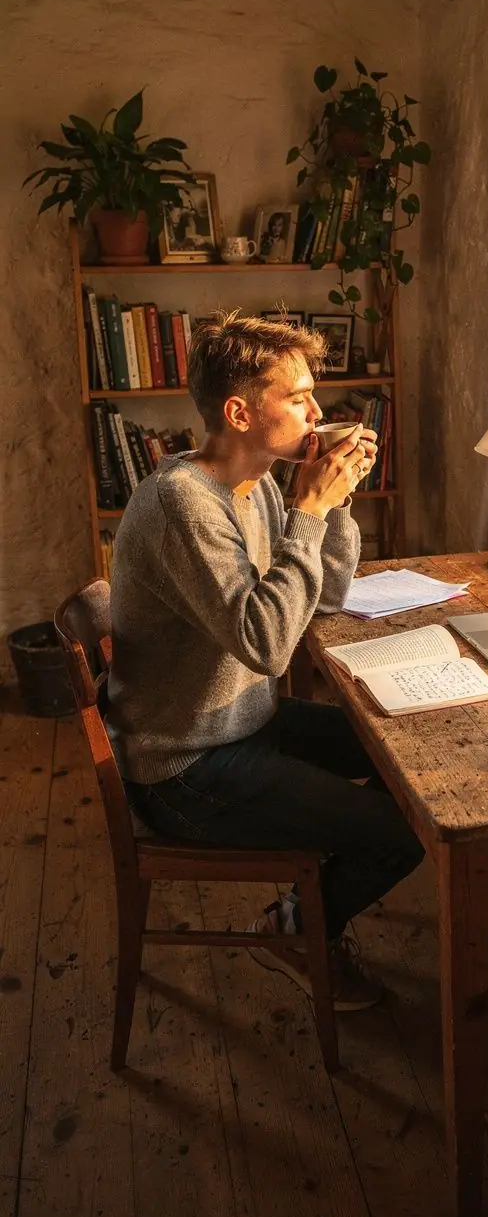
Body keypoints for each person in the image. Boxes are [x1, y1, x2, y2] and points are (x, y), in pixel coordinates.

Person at [106, 310, 424, 1009]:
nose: (318, 410)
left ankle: (312, 902)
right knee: (403, 832)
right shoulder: (182, 503)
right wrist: (310, 515)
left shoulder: (265, 486)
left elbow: (328, 594)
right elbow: (268, 644)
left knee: (407, 756)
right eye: (298, 396)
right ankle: (292, 929)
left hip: (241, 722)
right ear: (239, 412)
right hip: (183, 765)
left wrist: (333, 505)